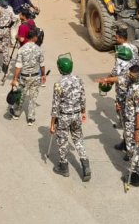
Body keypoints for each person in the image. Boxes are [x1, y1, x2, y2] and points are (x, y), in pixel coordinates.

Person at [49, 53, 90, 182]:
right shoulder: (79, 80)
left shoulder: (58, 84)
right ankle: (85, 165)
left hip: (64, 117)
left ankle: (64, 167)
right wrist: (83, 112)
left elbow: (55, 106)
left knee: (63, 141)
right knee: (78, 139)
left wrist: (52, 124)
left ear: (60, 69)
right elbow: (82, 98)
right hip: (76, 115)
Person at [10, 27, 45, 125]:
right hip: (35, 77)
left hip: (24, 77)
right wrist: (43, 75)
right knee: (33, 98)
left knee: (20, 96)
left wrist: (14, 79)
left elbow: (18, 66)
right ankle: (31, 118)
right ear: (34, 37)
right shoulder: (39, 49)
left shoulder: (21, 49)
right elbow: (42, 65)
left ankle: (16, 114)